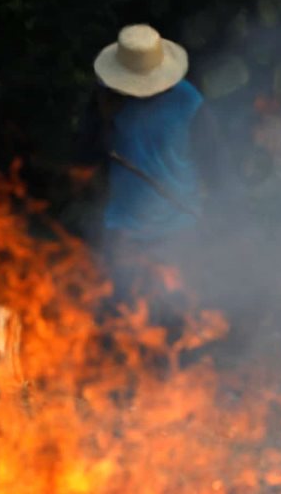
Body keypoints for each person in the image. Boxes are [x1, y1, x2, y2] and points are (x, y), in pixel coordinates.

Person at [75, 24, 237, 307]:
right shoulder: (108, 99)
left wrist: (224, 221)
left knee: (175, 319)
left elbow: (218, 168)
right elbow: (84, 156)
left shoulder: (189, 102)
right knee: (124, 318)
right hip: (124, 233)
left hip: (179, 233)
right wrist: (103, 118)